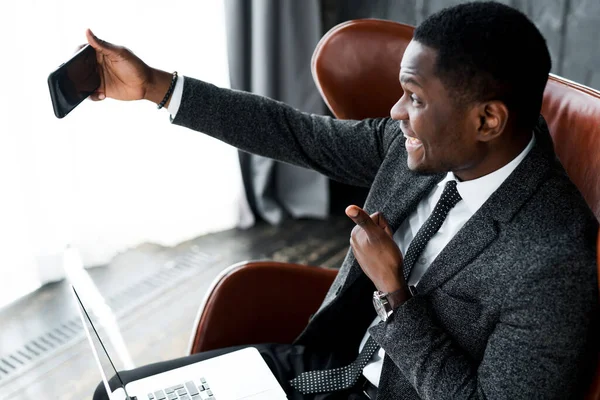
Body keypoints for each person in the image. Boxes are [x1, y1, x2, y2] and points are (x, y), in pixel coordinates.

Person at [89, 2, 598, 399]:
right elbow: (297, 134)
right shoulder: (417, 146)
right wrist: (158, 87)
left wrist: (395, 296)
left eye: (415, 98)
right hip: (328, 368)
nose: (397, 113)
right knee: (119, 395)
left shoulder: (553, 261)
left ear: (487, 120)